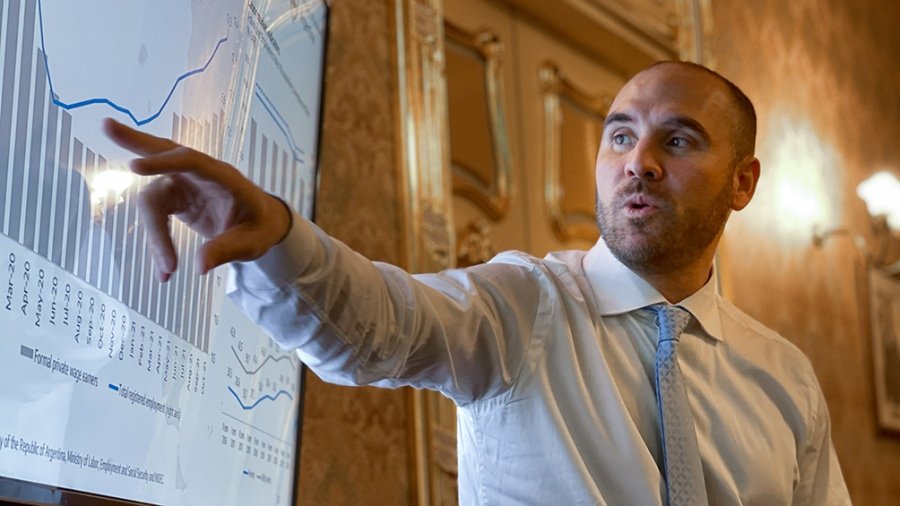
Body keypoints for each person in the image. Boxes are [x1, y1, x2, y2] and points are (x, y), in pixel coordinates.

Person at [104, 61, 851, 505]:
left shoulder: (785, 378)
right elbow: (378, 324)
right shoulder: (525, 305)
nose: (638, 162)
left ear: (743, 182)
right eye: (621, 135)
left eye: (677, 141)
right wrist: (274, 238)